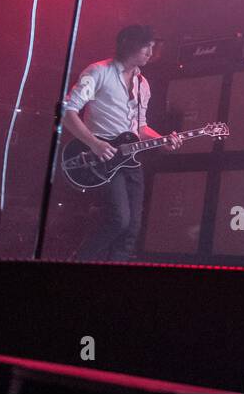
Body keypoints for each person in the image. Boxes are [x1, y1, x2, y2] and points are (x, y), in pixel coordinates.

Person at [64, 24, 183, 261]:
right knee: (119, 219)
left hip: (130, 161)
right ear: (130, 44)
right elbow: (68, 112)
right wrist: (95, 143)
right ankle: (76, 264)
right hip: (102, 156)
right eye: (146, 46)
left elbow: (139, 128)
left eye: (152, 47)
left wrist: (162, 140)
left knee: (132, 228)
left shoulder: (143, 84)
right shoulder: (98, 72)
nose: (150, 53)